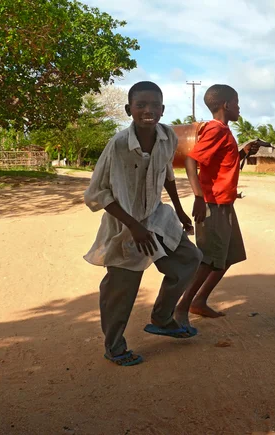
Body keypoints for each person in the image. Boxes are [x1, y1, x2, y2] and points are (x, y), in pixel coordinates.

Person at [83, 81, 202, 367]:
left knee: (189, 258)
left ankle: (162, 318)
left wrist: (180, 211)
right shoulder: (119, 145)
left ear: (162, 109)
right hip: (125, 224)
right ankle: (114, 347)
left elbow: (166, 175)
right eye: (141, 105)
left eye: (154, 105)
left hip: (156, 216)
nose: (148, 110)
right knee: (122, 288)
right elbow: (97, 194)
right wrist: (133, 227)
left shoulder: (168, 137)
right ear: (129, 110)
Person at [174, 84, 260, 326]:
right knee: (210, 258)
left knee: (229, 255)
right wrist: (199, 198)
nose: (239, 107)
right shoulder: (216, 130)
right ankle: (181, 308)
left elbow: (223, 163)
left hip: (224, 203)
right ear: (226, 105)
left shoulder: (225, 131)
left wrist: (243, 152)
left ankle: (199, 301)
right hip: (212, 204)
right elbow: (192, 160)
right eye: (237, 102)